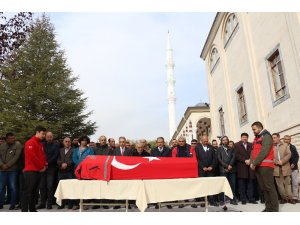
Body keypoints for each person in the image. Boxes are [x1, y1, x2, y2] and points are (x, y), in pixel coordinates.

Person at [250, 121, 279, 212]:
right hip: (259, 165)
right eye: (252, 129)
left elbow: (264, 151)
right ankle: (268, 207)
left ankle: (274, 209)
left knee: (269, 187)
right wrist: (252, 162)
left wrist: (254, 163)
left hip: (266, 166)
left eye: (254, 129)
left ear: (260, 128)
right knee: (264, 188)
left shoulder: (266, 136)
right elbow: (253, 151)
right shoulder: (256, 138)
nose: (253, 131)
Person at [21, 126, 48, 212]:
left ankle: (32, 210)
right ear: (37, 132)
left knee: (34, 192)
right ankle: (24, 211)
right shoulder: (30, 142)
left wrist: (45, 165)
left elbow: (42, 156)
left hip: (37, 171)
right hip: (30, 171)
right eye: (43, 134)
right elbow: (32, 157)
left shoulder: (39, 144)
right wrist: (42, 166)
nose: (44, 136)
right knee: (27, 192)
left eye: (44, 134)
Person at [37, 131, 59, 210]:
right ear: (45, 137)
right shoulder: (41, 144)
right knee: (42, 186)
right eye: (48, 137)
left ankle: (49, 203)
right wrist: (43, 164)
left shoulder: (56, 145)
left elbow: (55, 156)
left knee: (50, 186)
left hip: (51, 167)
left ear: (52, 137)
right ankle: (42, 203)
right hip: (42, 167)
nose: (49, 138)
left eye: (50, 137)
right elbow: (39, 154)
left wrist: (47, 163)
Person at [0, 132, 22, 210]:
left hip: (12, 170)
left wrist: (7, 165)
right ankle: (0, 203)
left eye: (13, 138)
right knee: (1, 187)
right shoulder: (2, 145)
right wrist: (2, 165)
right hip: (2, 170)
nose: (12, 139)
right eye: (10, 138)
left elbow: (16, 157)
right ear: (7, 139)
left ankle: (13, 203)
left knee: (13, 187)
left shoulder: (18, 145)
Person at [72, 135, 94, 210]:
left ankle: (85, 203)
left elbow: (92, 158)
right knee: (77, 187)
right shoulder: (76, 150)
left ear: (87, 142)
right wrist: (79, 164)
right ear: (80, 141)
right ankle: (76, 204)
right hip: (77, 170)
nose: (84, 142)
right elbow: (74, 158)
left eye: (85, 140)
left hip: (86, 170)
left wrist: (84, 165)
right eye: (82, 140)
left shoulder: (90, 149)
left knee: (85, 187)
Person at [194, 135, 217, 207]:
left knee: (210, 185)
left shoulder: (211, 147)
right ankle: (203, 201)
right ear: (201, 141)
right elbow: (197, 159)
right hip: (202, 170)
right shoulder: (197, 148)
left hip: (210, 170)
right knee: (202, 185)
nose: (206, 142)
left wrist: (211, 166)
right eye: (204, 141)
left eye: (207, 141)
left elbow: (215, 159)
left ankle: (211, 200)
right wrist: (202, 167)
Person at [235, 133, 257, 205]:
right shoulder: (237, 145)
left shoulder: (251, 145)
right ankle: (243, 199)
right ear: (241, 138)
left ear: (247, 138)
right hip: (241, 168)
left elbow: (254, 154)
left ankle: (251, 198)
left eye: (246, 137)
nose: (244, 138)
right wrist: (245, 160)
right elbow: (236, 155)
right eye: (243, 137)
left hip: (250, 167)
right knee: (242, 185)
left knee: (250, 184)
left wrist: (250, 161)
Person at [150, 137, 172, 209]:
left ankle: (167, 202)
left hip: (166, 171)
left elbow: (170, 160)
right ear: (156, 143)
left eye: (161, 142)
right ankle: (157, 203)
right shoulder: (153, 150)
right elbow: (151, 161)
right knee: (157, 188)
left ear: (163, 143)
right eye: (158, 142)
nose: (160, 143)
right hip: (156, 172)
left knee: (166, 187)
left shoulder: (168, 150)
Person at [272, 133, 293, 204]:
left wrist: (282, 161)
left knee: (288, 183)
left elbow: (289, 154)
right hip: (276, 168)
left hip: (285, 166)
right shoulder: (270, 147)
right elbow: (270, 156)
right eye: (272, 138)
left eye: (274, 137)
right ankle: (284, 198)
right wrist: (276, 161)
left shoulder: (285, 145)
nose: (273, 139)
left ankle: (290, 198)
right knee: (279, 184)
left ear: (278, 138)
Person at [217, 136, 237, 205]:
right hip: (223, 170)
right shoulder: (219, 149)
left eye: (226, 140)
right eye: (223, 140)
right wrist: (226, 166)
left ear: (228, 141)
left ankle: (232, 199)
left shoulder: (232, 148)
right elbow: (219, 159)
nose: (225, 141)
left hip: (232, 169)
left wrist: (230, 165)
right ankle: (222, 200)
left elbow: (234, 157)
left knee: (233, 185)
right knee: (223, 185)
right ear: (221, 141)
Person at [57, 137, 74, 210]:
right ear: (63, 142)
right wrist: (61, 164)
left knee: (70, 188)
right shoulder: (60, 150)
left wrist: (67, 164)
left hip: (69, 171)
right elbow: (57, 159)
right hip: (61, 171)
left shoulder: (74, 150)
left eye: (68, 141)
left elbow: (73, 159)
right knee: (62, 188)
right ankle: (62, 204)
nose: (67, 142)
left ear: (70, 142)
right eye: (66, 141)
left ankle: (70, 204)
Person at [284, 135, 300, 203]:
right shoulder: (282, 147)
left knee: (295, 182)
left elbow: (296, 156)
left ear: (290, 140)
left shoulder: (292, 147)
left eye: (288, 139)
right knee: (287, 183)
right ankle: (287, 197)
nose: (287, 140)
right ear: (283, 140)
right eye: (285, 139)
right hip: (285, 168)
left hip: (294, 168)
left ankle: (295, 197)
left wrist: (293, 163)